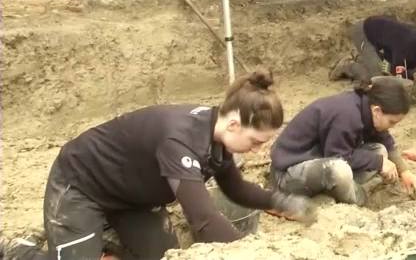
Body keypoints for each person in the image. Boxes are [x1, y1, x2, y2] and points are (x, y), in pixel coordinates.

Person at [42, 69, 315, 260]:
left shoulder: (215, 134)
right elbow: (204, 219)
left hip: (133, 198)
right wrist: (246, 253)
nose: (258, 151)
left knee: (165, 256)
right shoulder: (180, 141)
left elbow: (235, 189)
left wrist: (281, 202)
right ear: (234, 124)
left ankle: (107, 241)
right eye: (255, 142)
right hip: (81, 184)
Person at [269, 77, 416, 207]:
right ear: (377, 111)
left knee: (379, 150)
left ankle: (331, 195)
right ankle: (360, 199)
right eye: (392, 122)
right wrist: (378, 162)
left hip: (318, 162)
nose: (392, 126)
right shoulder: (347, 115)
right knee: (340, 169)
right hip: (287, 175)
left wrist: (406, 173)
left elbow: (385, 141)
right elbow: (337, 156)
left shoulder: (365, 107)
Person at [348, 15, 416, 80]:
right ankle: (347, 66)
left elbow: (408, 66)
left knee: (383, 65)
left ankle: (361, 58)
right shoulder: (407, 47)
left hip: (385, 39)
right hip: (365, 32)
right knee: (378, 77)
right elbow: (398, 75)